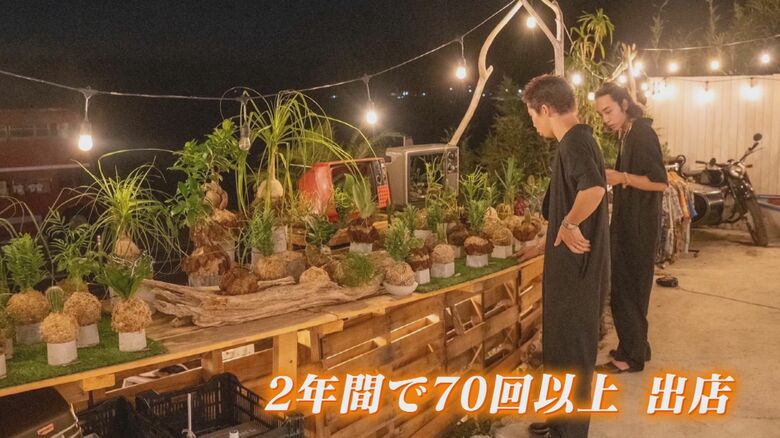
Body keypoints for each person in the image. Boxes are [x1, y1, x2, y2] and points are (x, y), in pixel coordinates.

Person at [518, 75, 610, 438]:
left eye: (532, 116)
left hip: (578, 273)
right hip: (567, 271)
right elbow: (566, 202)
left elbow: (594, 189)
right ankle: (559, 419)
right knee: (559, 347)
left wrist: (569, 224)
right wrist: (546, 241)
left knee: (572, 353)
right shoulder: (577, 141)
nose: (534, 124)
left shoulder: (575, 142)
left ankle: (570, 431)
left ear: (545, 109)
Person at [593, 83, 668, 374]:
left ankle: (630, 357)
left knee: (627, 290)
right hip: (630, 222)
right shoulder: (628, 133)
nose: (606, 119)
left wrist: (622, 177)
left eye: (609, 111)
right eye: (601, 114)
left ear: (625, 104)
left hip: (638, 226)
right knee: (630, 288)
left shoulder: (641, 134)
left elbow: (660, 182)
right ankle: (637, 346)